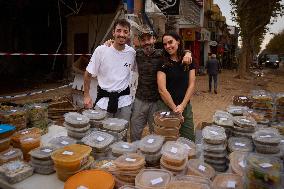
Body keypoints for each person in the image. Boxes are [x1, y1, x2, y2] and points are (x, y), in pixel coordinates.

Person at [83, 19, 135, 122]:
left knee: (122, 134)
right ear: (113, 32)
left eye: (125, 31)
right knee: (103, 134)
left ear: (129, 34)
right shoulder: (101, 51)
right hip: (104, 102)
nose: (122, 34)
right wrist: (86, 95)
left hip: (124, 102)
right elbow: (88, 73)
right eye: (119, 31)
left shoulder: (132, 53)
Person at [157, 31, 196, 141]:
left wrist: (182, 106)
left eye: (170, 42)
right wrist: (175, 109)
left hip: (185, 106)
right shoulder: (162, 62)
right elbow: (162, 89)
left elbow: (192, 84)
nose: (168, 46)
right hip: (166, 107)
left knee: (189, 140)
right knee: (167, 140)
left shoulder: (188, 60)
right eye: (165, 44)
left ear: (178, 41)